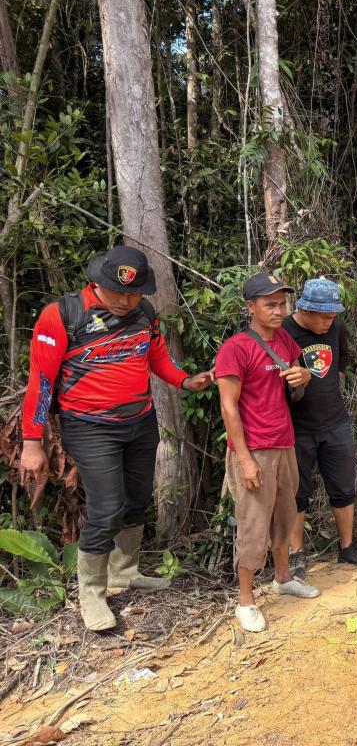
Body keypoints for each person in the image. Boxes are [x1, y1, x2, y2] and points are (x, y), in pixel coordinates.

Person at [19, 245, 214, 631]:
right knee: (107, 507)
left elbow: (156, 356)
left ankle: (124, 572)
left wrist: (184, 380)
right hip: (89, 426)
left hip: (140, 421)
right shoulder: (63, 315)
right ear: (97, 282)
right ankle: (92, 593)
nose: (125, 301)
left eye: (134, 293)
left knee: (137, 499)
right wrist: (31, 442)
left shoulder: (144, 313)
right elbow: (41, 382)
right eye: (117, 292)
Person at [216, 273, 319, 633]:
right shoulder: (235, 348)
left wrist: (305, 376)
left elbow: (298, 373)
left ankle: (283, 577)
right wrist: (244, 459)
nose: (279, 311)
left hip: (284, 442)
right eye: (270, 304)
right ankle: (245, 600)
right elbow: (228, 406)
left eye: (282, 303)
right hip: (254, 449)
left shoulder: (285, 340)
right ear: (250, 306)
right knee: (253, 524)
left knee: (286, 516)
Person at [283, 278, 357, 573]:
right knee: (297, 493)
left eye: (333, 316)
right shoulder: (284, 331)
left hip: (335, 422)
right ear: (306, 310)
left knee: (343, 487)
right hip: (297, 427)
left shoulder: (336, 328)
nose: (330, 322)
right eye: (325, 316)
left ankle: (347, 548)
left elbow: (338, 368)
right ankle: (296, 555)